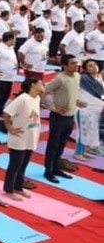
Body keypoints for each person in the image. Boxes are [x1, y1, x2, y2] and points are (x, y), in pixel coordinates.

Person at [43, 54, 84, 183]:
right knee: (53, 144)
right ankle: (48, 170)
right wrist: (53, 107)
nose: (76, 65)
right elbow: (42, 91)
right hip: (58, 117)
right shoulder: (60, 79)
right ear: (64, 65)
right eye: (72, 63)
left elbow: (74, 92)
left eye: (76, 63)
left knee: (62, 144)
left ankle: (56, 167)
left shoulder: (77, 76)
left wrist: (76, 101)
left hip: (70, 116)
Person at [2, 78, 45, 199]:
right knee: (15, 164)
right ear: (33, 85)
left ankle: (18, 187)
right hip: (19, 137)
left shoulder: (37, 98)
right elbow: (7, 113)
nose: (43, 84)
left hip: (31, 135)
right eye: (41, 83)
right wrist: (9, 128)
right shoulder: (22, 99)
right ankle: (9, 189)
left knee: (24, 164)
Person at [76, 59, 104, 158]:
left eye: (95, 64)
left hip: (97, 108)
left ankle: (86, 150)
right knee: (83, 131)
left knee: (92, 130)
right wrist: (76, 101)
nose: (94, 67)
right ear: (86, 69)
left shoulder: (99, 77)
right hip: (85, 108)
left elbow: (101, 93)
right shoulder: (82, 78)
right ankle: (78, 152)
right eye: (90, 66)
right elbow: (72, 90)